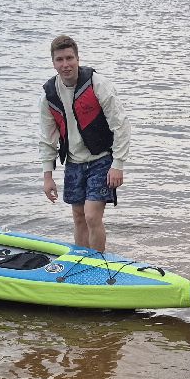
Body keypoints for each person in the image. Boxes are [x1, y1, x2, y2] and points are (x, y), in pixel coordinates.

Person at [38, 34, 131, 252]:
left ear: (78, 59)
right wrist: (47, 176)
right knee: (79, 217)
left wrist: (118, 164)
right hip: (74, 162)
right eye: (60, 60)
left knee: (91, 216)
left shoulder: (98, 85)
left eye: (69, 58)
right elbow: (47, 137)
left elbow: (121, 125)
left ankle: (98, 265)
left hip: (101, 159)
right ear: (53, 63)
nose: (65, 64)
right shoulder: (48, 96)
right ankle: (81, 262)